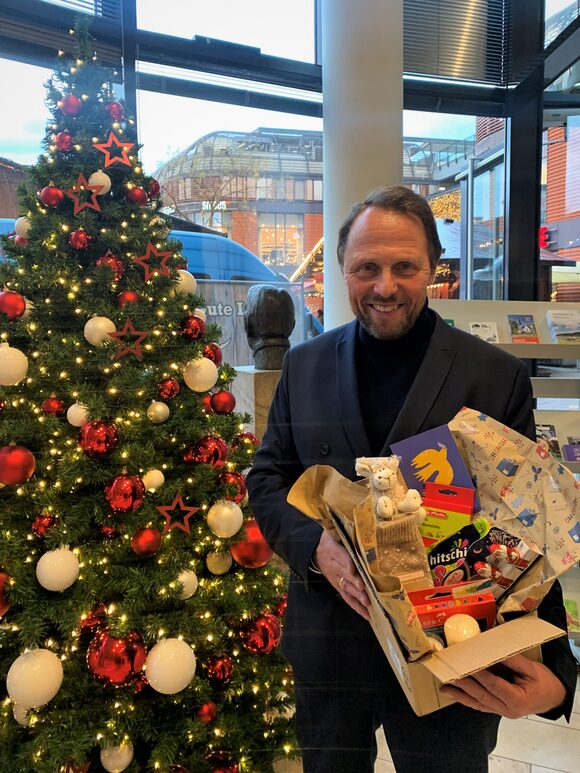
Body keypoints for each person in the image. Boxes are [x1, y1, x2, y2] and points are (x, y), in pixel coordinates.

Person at [246, 186, 577, 773]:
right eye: (366, 268)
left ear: (432, 268)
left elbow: (528, 527)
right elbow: (269, 478)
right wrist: (317, 549)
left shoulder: (493, 376)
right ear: (342, 270)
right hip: (330, 644)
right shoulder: (305, 364)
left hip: (455, 653)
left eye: (405, 267)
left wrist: (555, 671)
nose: (384, 286)